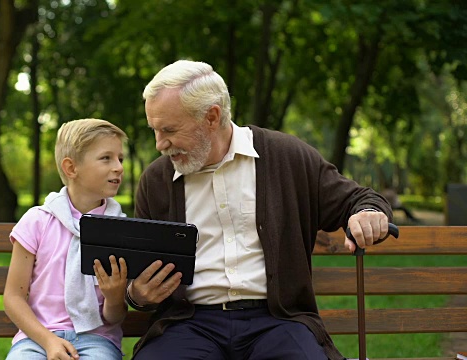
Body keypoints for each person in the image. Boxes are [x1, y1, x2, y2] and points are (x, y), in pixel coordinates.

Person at [125, 60, 393, 360]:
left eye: (169, 130)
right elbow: (140, 278)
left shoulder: (287, 156)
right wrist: (137, 295)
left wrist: (367, 212)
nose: (160, 144)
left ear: (212, 117)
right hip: (188, 323)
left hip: (277, 321)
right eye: (155, 130)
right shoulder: (156, 180)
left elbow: (358, 199)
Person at [3, 118, 129, 360]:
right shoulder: (37, 221)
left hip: (97, 340)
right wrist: (49, 341)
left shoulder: (119, 229)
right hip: (37, 338)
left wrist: (114, 297)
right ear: (71, 168)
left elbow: (114, 317)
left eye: (120, 158)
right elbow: (13, 297)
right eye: (106, 158)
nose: (119, 167)